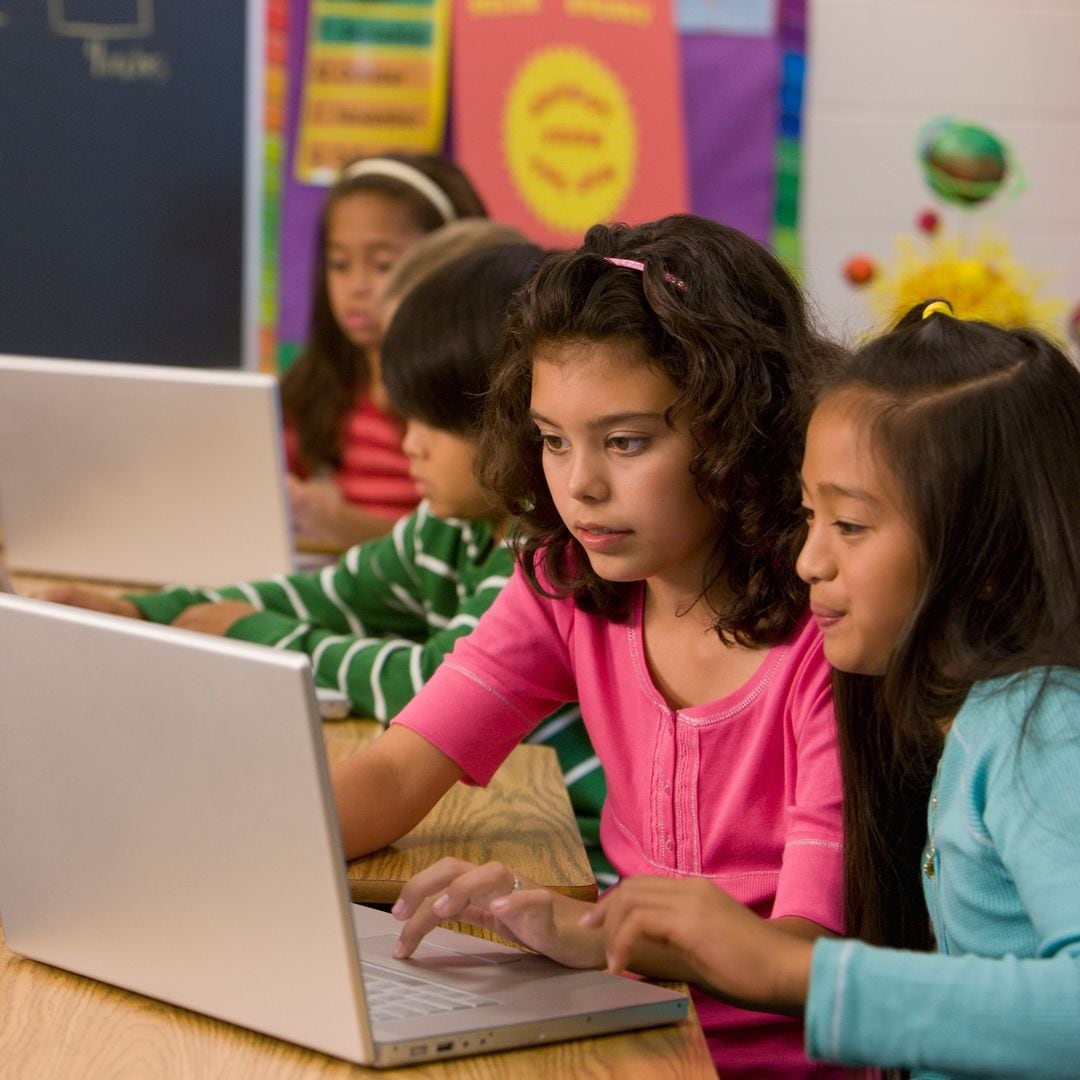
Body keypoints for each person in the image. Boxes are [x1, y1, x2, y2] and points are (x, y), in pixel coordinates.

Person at [331, 214, 848, 1077]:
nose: (580, 485)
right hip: (623, 1019)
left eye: (626, 441)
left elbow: (800, 955)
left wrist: (586, 930)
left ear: (740, 427)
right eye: (553, 441)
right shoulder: (567, 582)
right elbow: (393, 773)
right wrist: (211, 847)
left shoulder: (827, 642)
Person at [586, 300, 1080, 1079]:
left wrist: (791, 972)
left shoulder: (1041, 725)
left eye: (849, 526)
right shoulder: (959, 715)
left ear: (987, 555)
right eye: (810, 516)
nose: (808, 560)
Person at [37, 243, 612, 881]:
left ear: (509, 423)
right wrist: (139, 611)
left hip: (577, 866)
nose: (407, 444)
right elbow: (326, 596)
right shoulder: (444, 527)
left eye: (433, 422)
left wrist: (249, 633)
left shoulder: (543, 560)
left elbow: (429, 679)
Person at [282, 153, 488, 552]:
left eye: (383, 264)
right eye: (339, 264)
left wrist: (340, 524)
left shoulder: (461, 404)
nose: (357, 286)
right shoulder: (318, 383)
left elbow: (450, 553)